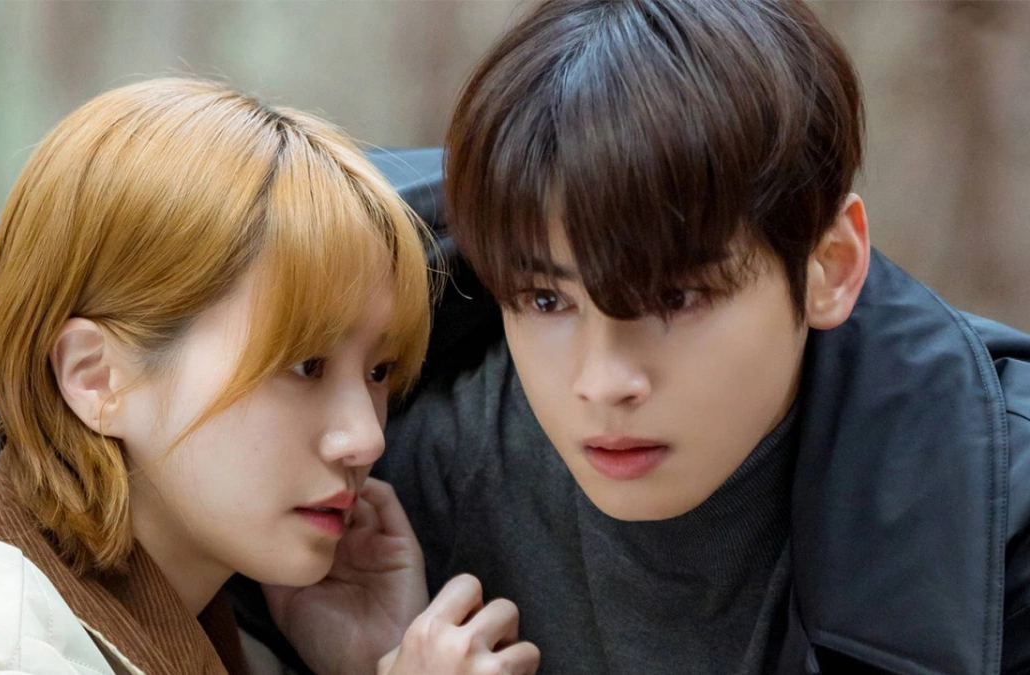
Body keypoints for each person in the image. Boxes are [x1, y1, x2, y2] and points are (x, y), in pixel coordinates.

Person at [262, 0, 1030, 673]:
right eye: (545, 298)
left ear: (830, 266)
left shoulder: (995, 514)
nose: (603, 382)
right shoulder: (395, 469)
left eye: (674, 297)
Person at [0, 79, 540, 675]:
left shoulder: (227, 626)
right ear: (95, 377)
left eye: (379, 371)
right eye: (305, 365)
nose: (365, 437)